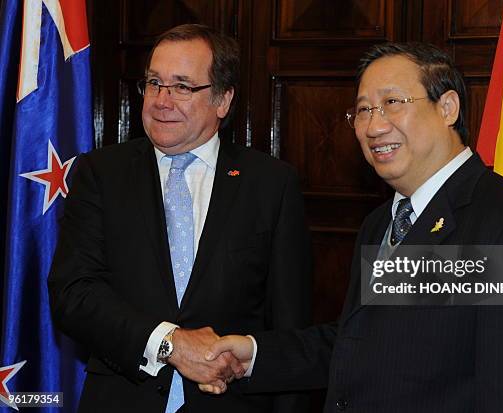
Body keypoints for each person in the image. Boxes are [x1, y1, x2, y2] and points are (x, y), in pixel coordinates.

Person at [201, 42, 503, 412]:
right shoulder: (380, 222)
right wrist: (253, 355)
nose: (373, 126)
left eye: (392, 103)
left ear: (447, 107)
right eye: (363, 110)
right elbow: (365, 341)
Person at [48, 24, 311, 413]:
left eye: (183, 87)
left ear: (222, 100)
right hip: (122, 400)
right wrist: (170, 343)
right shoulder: (101, 173)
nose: (161, 100)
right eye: (154, 83)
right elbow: (73, 293)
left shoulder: (271, 184)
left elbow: (291, 330)